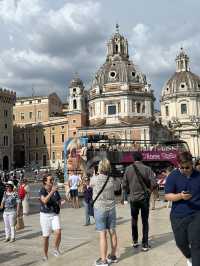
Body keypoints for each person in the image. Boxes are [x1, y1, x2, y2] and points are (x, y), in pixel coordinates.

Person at [165, 151, 200, 266]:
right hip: (178, 216)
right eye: (182, 167)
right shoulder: (173, 176)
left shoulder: (198, 175)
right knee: (181, 243)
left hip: (196, 214)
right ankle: (189, 256)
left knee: (196, 243)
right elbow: (167, 195)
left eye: (187, 167)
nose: (185, 169)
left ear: (192, 163)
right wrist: (180, 196)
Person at [122, 151, 156, 251]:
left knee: (134, 220)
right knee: (145, 221)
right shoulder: (147, 169)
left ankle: (135, 241)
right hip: (144, 199)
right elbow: (154, 183)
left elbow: (124, 185)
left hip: (133, 199)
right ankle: (145, 244)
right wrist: (149, 190)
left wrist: (130, 191)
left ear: (133, 159)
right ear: (142, 158)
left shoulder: (128, 169)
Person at [90, 159, 118, 266]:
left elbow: (89, 184)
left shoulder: (95, 179)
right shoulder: (111, 180)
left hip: (99, 209)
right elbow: (116, 188)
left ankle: (103, 260)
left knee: (102, 234)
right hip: (111, 209)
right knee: (112, 232)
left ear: (100, 168)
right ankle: (113, 255)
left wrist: (94, 174)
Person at [39, 174, 62, 261]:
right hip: (45, 215)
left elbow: (59, 200)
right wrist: (52, 192)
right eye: (50, 180)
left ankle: (56, 249)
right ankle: (45, 255)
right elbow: (44, 200)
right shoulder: (42, 190)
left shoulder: (55, 190)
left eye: (52, 180)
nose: (52, 181)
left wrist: (61, 202)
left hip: (54, 214)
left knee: (58, 232)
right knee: (46, 236)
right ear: (45, 181)